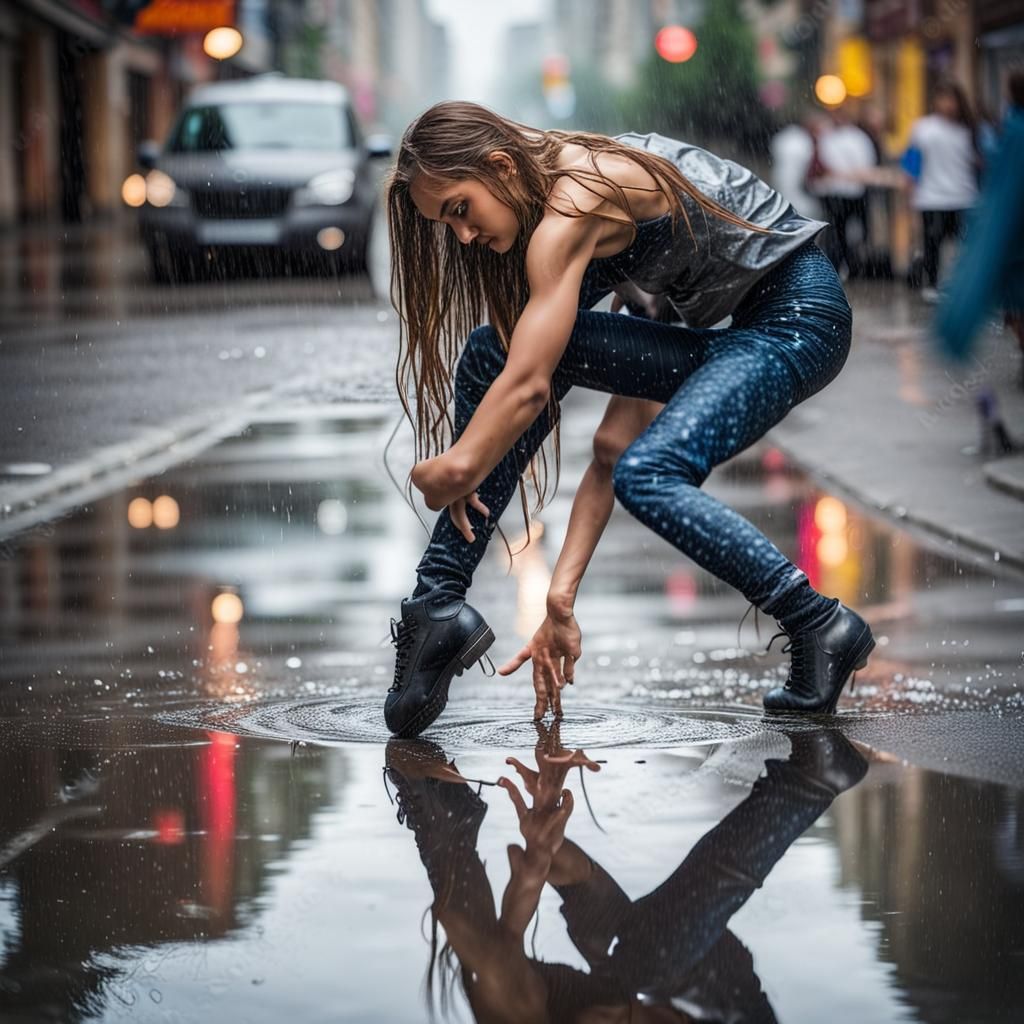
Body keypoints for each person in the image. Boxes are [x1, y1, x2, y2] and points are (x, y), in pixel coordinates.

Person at [382, 101, 875, 738]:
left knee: (653, 471)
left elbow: (530, 389)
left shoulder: (582, 201)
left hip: (796, 320)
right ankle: (436, 606)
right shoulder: (611, 237)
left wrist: (456, 466)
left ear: (500, 165)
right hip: (735, 331)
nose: (464, 237)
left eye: (458, 210)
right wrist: (559, 599)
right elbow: (611, 444)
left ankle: (817, 621)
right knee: (493, 352)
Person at [383, 725, 868, 1022]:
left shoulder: (503, 993)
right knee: (645, 960)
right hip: (726, 1007)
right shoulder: (517, 1000)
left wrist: (541, 838)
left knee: (617, 944)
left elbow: (566, 872)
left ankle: (446, 812)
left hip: (639, 964)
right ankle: (812, 783)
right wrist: (529, 877)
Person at [906, 80, 981, 303]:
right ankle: (932, 284)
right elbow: (911, 162)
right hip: (931, 197)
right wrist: (909, 190)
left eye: (951, 99)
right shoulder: (924, 128)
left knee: (964, 246)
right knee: (932, 243)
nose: (947, 104)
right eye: (943, 99)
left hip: (964, 196)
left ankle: (961, 284)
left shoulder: (970, 129)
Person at [807, 105, 877, 280]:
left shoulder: (858, 138)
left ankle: (850, 267)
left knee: (850, 232)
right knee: (836, 232)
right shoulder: (827, 136)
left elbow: (864, 166)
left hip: (852, 193)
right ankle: (836, 266)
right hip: (832, 192)